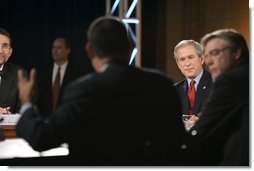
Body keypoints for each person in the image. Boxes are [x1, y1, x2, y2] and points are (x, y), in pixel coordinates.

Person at [16, 16, 186, 166]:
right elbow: (178, 144)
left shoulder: (82, 90)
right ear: (129, 47)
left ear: (89, 50)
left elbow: (41, 138)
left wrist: (27, 103)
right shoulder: (162, 84)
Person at [186, 29, 249, 165]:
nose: (209, 62)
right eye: (206, 56)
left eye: (215, 53)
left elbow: (203, 130)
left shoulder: (231, 80)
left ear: (237, 53)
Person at [36, 37, 88, 117]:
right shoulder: (42, 74)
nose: (55, 51)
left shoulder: (77, 74)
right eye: (53, 48)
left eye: (59, 48)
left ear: (68, 50)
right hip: (46, 123)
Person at [173, 40, 213, 128]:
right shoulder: (174, 90)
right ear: (178, 64)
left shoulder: (217, 84)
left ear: (202, 59)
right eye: (182, 59)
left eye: (190, 57)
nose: (187, 64)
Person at [0, 28, 27, 114]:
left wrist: (9, 117)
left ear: (10, 52)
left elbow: (24, 112)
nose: (0, 51)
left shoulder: (20, 74)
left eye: (4, 46)